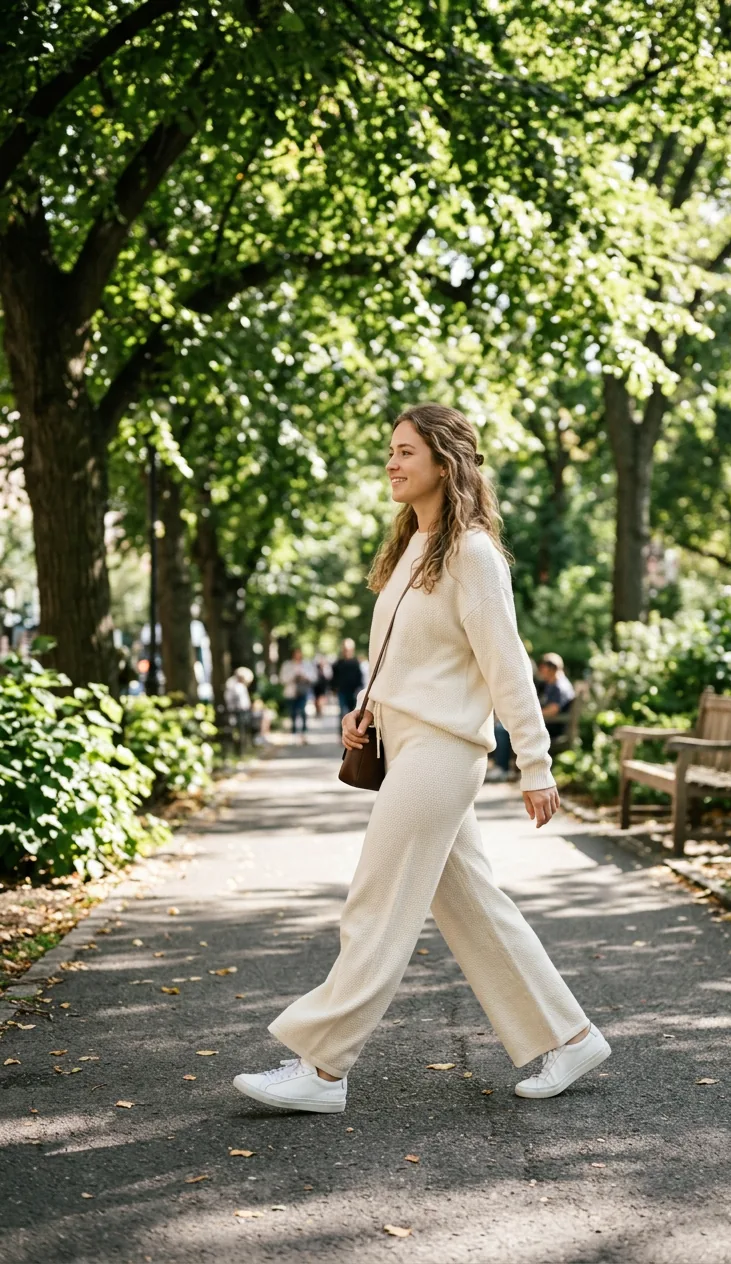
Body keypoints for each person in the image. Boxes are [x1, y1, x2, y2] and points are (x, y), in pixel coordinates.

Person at [234, 403, 610, 1114]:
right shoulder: (415, 545)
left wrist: (536, 764)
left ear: (445, 461)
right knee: (475, 911)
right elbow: (407, 652)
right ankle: (572, 1033)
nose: (393, 462)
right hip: (406, 741)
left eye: (406, 451)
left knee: (376, 903)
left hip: (442, 751)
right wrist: (368, 709)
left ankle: (322, 1068)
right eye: (390, 451)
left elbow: (508, 665)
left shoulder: (471, 554)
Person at [489, 653, 576, 782]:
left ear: (552, 668)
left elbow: (553, 710)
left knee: (503, 729)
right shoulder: (552, 684)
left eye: (543, 668)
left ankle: (503, 768)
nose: (541, 671)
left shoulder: (559, 686)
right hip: (546, 723)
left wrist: (530, 714)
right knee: (503, 726)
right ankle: (506, 768)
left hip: (552, 727)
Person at [280, 648, 316, 745]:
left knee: (303, 711)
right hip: (291, 693)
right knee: (293, 713)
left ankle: (303, 733)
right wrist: (294, 675)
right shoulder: (287, 665)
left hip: (303, 692)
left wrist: (304, 676)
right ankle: (294, 734)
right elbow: (282, 679)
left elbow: (314, 677)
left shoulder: (307, 665)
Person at [331, 639, 365, 738]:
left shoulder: (356, 663)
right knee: (342, 713)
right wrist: (334, 689)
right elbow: (334, 678)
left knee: (354, 714)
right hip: (342, 692)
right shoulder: (338, 663)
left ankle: (354, 734)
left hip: (353, 692)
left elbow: (360, 678)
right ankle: (342, 734)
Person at [224, 666, 253, 750]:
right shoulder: (234, 685)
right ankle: (240, 749)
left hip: (242, 710)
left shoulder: (239, 685)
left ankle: (244, 747)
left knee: (244, 729)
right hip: (237, 711)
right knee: (239, 730)